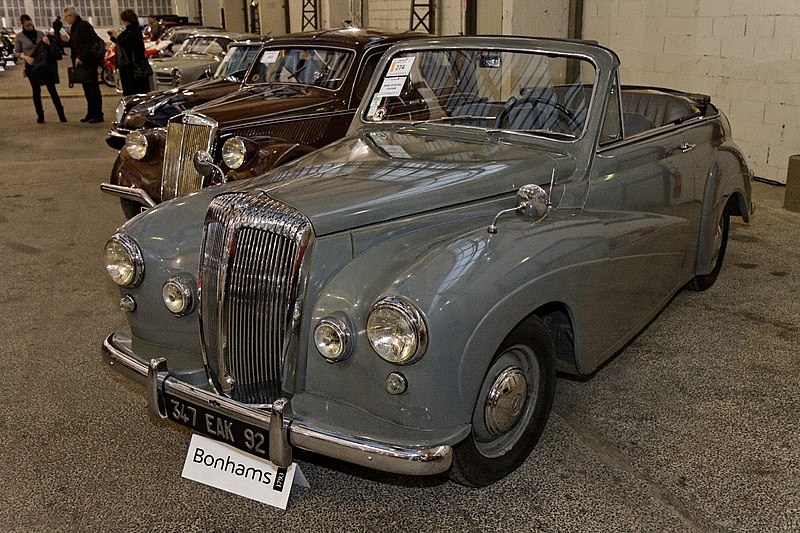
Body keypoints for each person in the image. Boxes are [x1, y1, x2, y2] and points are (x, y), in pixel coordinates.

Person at [14, 14, 67, 123]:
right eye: (26, 24)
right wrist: (25, 57)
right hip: (31, 67)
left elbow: (48, 47)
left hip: (44, 65)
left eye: (30, 23)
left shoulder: (40, 33)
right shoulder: (19, 36)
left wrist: (48, 42)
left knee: (52, 90)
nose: (29, 25)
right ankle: (40, 116)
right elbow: (16, 52)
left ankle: (62, 115)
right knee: (36, 91)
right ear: (22, 24)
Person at [62, 5, 104, 123]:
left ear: (71, 16)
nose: (65, 19)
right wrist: (67, 41)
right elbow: (76, 44)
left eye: (66, 17)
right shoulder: (75, 27)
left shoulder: (84, 25)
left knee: (93, 89)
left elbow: (90, 44)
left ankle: (97, 114)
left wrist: (81, 57)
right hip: (82, 63)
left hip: (89, 62)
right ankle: (91, 112)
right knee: (87, 89)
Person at [108, 9, 150, 96]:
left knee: (132, 93)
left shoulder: (130, 32)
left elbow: (126, 45)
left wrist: (116, 37)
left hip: (131, 68)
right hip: (136, 66)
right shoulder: (136, 31)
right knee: (139, 92)